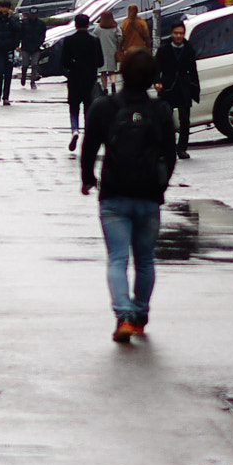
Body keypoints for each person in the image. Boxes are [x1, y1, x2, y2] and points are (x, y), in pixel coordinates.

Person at [79, 49, 177, 343]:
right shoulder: (160, 110)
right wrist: (161, 185)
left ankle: (122, 314)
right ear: (151, 78)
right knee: (145, 260)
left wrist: (88, 179)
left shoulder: (103, 107)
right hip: (148, 195)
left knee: (117, 258)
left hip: (114, 194)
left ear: (121, 72)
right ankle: (140, 313)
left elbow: (89, 149)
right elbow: (169, 155)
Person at [58, 12, 106, 146]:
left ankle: (74, 130)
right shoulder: (94, 40)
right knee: (88, 107)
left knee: (73, 107)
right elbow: (100, 62)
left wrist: (73, 65)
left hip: (74, 78)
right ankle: (88, 133)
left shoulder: (68, 40)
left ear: (75, 24)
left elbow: (64, 62)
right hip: (90, 78)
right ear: (88, 24)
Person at [156, 18, 200, 159]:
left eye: (181, 33)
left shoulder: (189, 50)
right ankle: (168, 147)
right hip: (168, 87)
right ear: (171, 33)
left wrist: (195, 87)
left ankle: (182, 148)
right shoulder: (164, 49)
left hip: (183, 88)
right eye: (176, 33)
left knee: (185, 120)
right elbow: (156, 68)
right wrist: (157, 82)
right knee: (167, 120)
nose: (179, 36)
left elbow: (193, 71)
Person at [20, 10, 47, 89]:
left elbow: (43, 35)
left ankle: (33, 81)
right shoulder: (24, 23)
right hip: (25, 47)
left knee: (34, 64)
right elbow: (20, 34)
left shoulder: (41, 24)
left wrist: (40, 42)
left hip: (36, 47)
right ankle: (23, 76)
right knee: (25, 64)